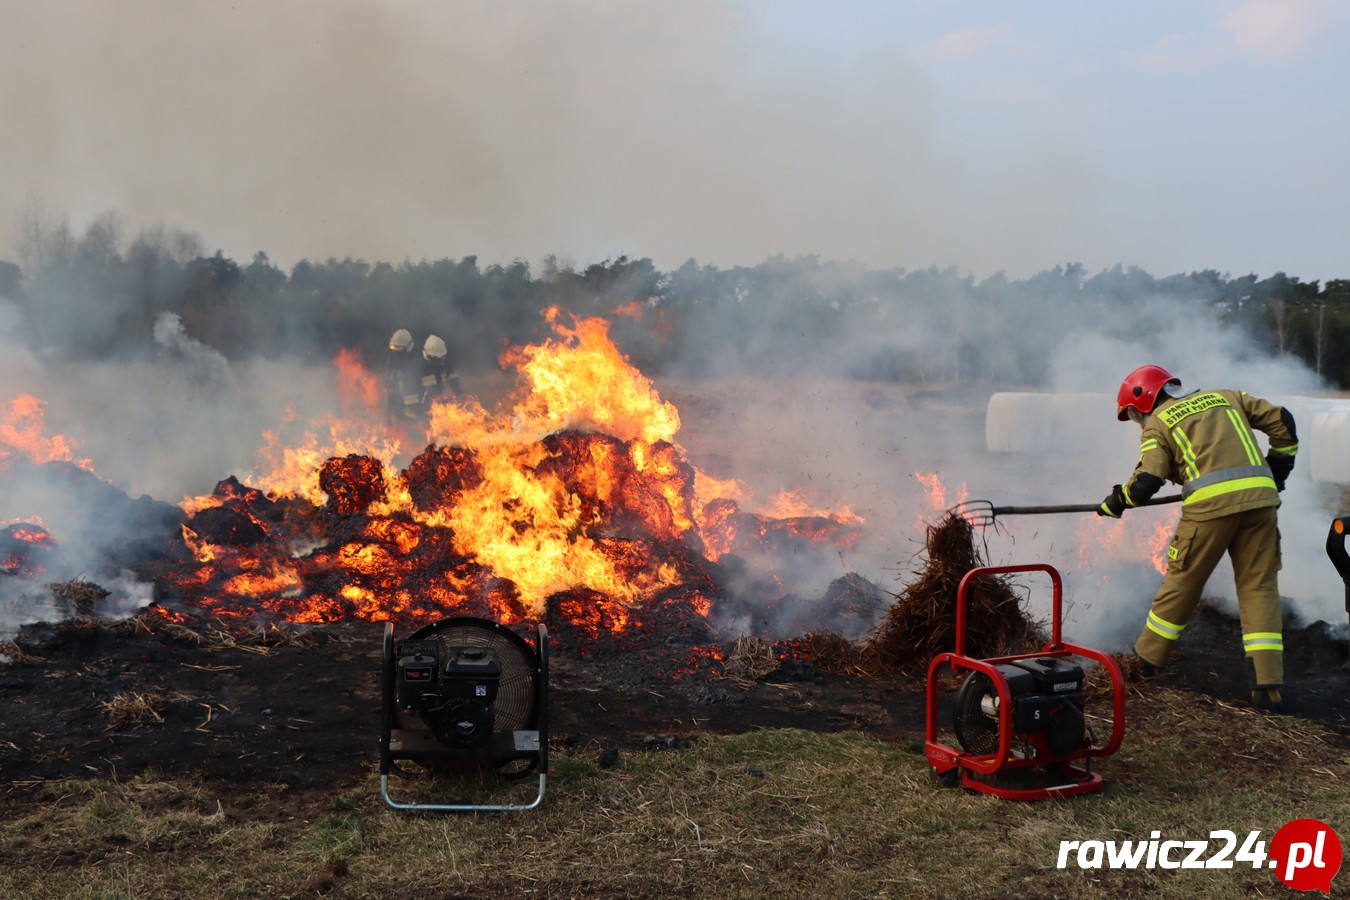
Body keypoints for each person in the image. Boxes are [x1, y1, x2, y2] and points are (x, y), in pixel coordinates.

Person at [1099, 364, 1298, 712]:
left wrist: (1117, 501)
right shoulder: (1226, 397)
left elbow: (1146, 482)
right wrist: (1276, 471)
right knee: (1258, 587)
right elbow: (1284, 421)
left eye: (1133, 416)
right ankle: (1267, 686)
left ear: (1143, 402)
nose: (1137, 423)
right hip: (1261, 503)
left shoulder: (1159, 423)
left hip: (1209, 511)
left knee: (1183, 584)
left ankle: (1144, 663)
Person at [384, 328, 422, 423]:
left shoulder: (416, 355)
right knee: (391, 402)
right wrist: (390, 379)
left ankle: (412, 423)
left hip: (413, 384)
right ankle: (392, 424)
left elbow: (413, 374)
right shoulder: (392, 352)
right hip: (399, 381)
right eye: (394, 347)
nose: (396, 350)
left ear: (408, 347)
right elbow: (390, 366)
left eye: (399, 348)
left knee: (411, 402)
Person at [419, 334, 464, 407]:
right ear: (429, 357)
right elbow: (413, 390)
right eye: (439, 359)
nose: (442, 361)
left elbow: (451, 375)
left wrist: (456, 387)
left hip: (437, 401)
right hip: (423, 404)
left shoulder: (442, 363)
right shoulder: (419, 367)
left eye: (443, 358)